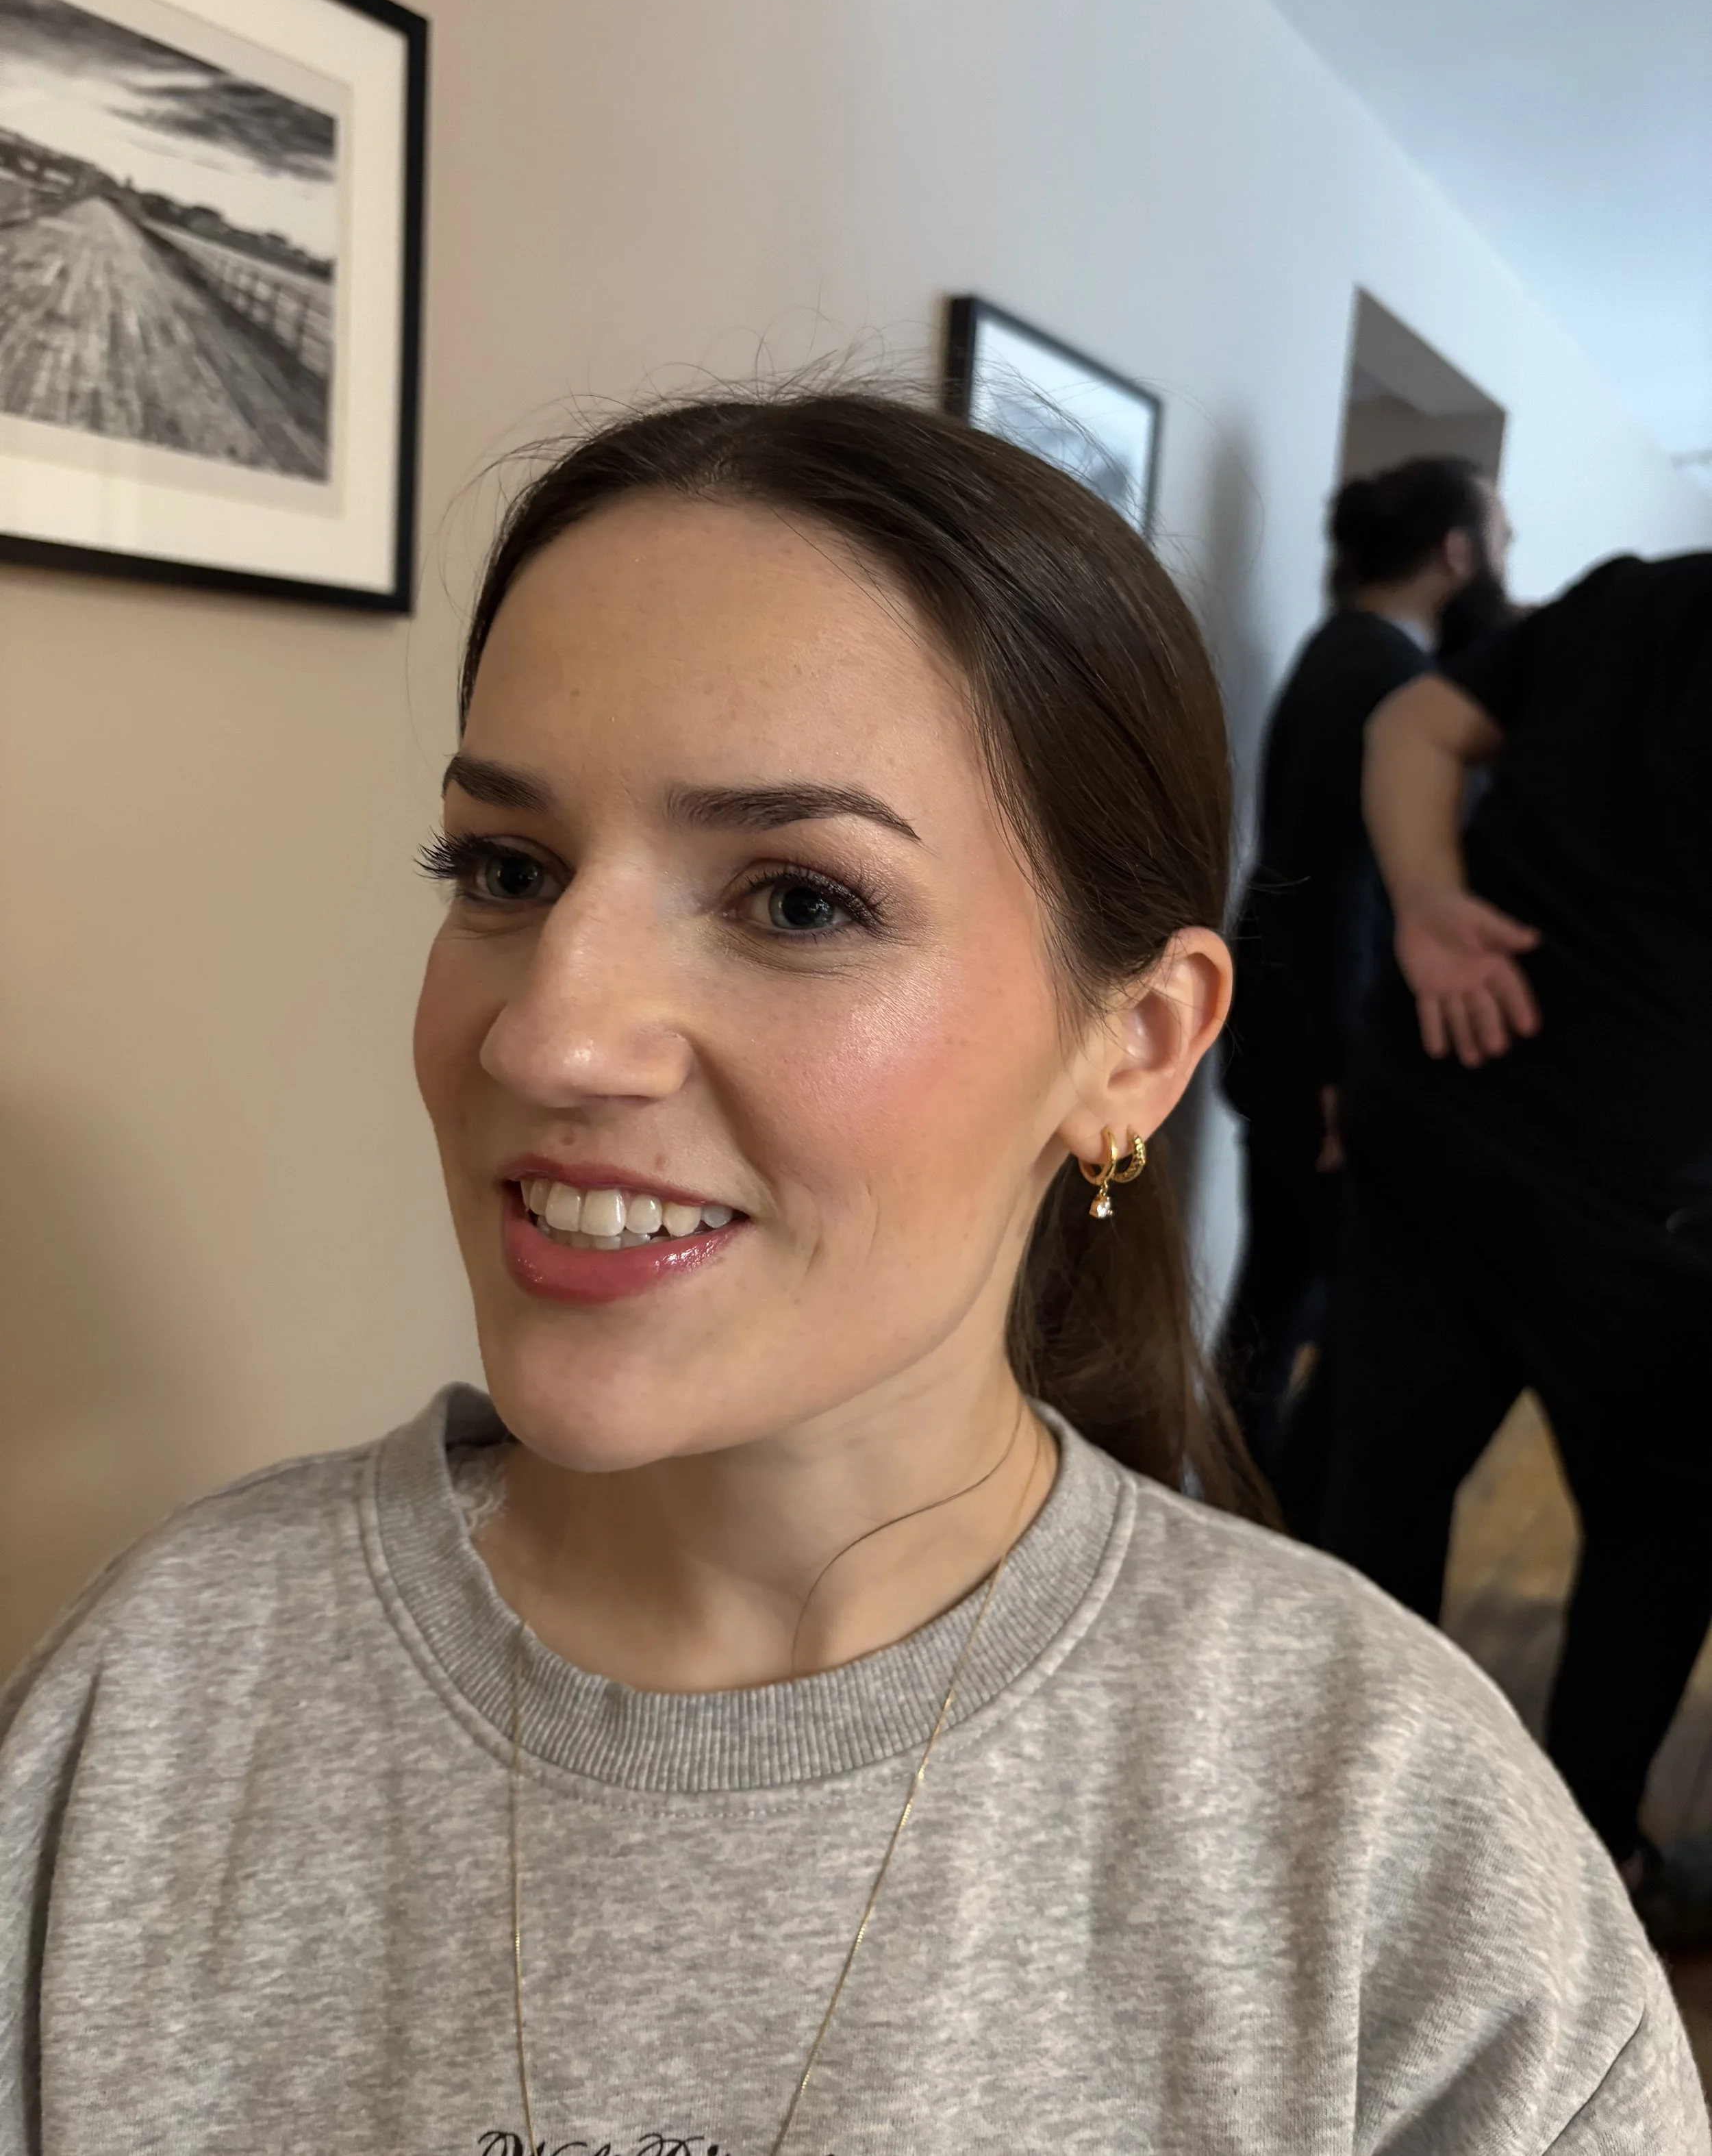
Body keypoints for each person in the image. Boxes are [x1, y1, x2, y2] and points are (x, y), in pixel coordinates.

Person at [2, 395, 1701, 2153]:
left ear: (1133, 1044)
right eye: (505, 868)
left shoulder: (1388, 1852)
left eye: (798, 901)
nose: (551, 1031)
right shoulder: (157, 1707)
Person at [1318, 549, 1712, 1940]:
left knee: (1377, 1481)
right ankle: (1578, 1870)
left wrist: (1424, 904)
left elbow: (1411, 725)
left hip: (1439, 1104)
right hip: (1636, 1203)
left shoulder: (1636, 594)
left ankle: (1326, 1827)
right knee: (1661, 1541)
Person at [1220, 457, 1511, 1492]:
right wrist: (1343, 1074)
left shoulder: (1343, 651)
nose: (1505, 558)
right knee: (1330, 1324)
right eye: (1500, 535)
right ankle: (1270, 1526)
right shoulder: (1383, 677)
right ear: (1456, 551)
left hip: (1291, 1040)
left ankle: (1238, 1513)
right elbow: (1332, 890)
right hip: (1321, 1056)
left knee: (1275, 1303)